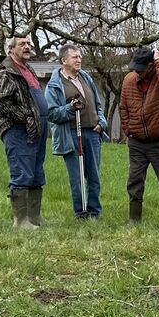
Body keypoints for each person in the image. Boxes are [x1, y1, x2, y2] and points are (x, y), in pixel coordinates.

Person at [0, 35, 49, 228]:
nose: (27, 47)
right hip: (17, 130)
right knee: (21, 172)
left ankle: (34, 217)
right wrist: (26, 117)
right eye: (22, 44)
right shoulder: (5, 72)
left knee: (36, 173)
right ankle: (21, 221)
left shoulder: (27, 69)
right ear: (11, 49)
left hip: (37, 129)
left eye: (28, 43)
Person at [119, 45, 159, 227]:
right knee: (135, 180)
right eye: (134, 67)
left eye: (141, 67)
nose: (137, 71)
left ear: (150, 65)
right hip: (137, 142)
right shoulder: (129, 80)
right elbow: (123, 107)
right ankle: (134, 220)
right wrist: (128, 129)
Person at [45, 43, 105, 220]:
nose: (79, 60)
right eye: (75, 57)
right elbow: (51, 113)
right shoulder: (55, 85)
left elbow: (97, 104)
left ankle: (94, 211)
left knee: (94, 175)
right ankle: (81, 212)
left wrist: (101, 123)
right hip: (71, 134)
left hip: (92, 132)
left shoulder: (86, 78)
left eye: (79, 57)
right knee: (77, 177)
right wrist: (70, 109)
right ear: (64, 60)